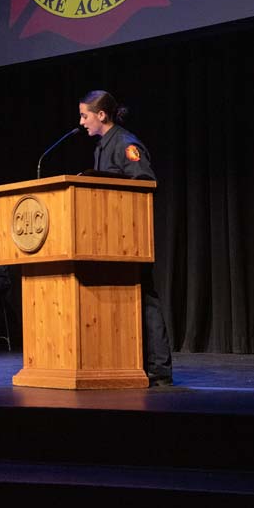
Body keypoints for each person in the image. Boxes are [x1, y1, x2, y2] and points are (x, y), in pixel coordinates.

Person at [79, 88, 173, 386]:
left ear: (101, 115)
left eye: (85, 116)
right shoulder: (101, 147)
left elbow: (145, 181)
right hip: (107, 237)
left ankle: (160, 371)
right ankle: (129, 365)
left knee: (145, 299)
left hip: (129, 236)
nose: (81, 122)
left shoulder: (125, 143)